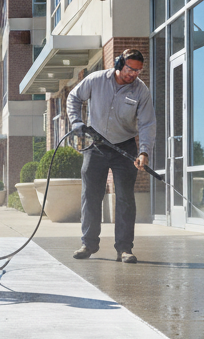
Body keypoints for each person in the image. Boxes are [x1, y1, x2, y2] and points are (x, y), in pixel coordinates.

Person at [66, 49, 156, 263]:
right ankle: (88, 244)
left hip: (125, 147)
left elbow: (147, 123)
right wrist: (76, 122)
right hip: (96, 145)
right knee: (91, 195)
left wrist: (144, 151)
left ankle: (124, 249)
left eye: (138, 71)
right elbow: (73, 98)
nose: (133, 74)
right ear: (119, 64)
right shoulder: (96, 80)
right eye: (130, 69)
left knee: (125, 199)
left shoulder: (141, 91)